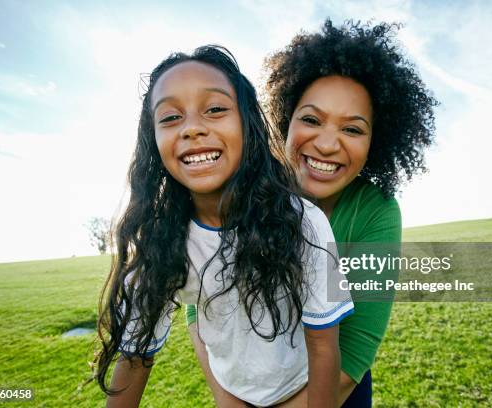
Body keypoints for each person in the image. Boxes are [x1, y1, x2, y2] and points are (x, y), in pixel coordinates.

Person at [188, 19, 437, 407]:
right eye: (310, 119)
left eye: (352, 130)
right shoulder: (239, 190)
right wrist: (228, 402)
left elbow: (353, 350)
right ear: (284, 120)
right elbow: (198, 305)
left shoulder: (376, 212)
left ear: (376, 141)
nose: (326, 144)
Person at [93, 45, 354, 408]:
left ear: (247, 124)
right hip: (232, 392)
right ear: (153, 142)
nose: (193, 128)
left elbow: (324, 345)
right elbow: (135, 358)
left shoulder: (305, 221)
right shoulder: (159, 240)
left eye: (215, 109)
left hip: (300, 388)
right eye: (169, 117)